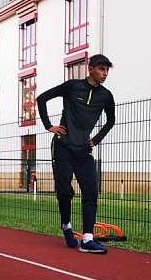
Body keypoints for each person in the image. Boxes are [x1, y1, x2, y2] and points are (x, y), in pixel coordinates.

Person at [36, 53, 115, 254]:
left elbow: (111, 121)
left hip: (84, 151)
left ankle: (88, 239)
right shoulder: (72, 86)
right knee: (65, 193)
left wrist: (95, 140)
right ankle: (66, 225)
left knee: (90, 192)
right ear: (90, 69)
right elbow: (42, 98)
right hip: (63, 146)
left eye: (107, 70)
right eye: (101, 69)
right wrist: (48, 126)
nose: (104, 73)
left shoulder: (106, 96)